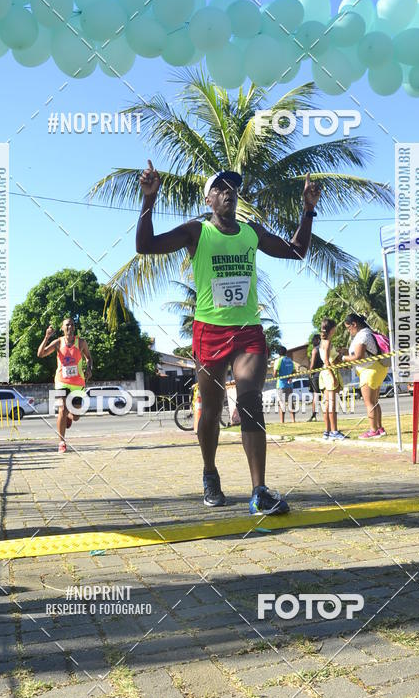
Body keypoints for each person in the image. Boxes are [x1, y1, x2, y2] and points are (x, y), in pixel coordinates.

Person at [136, 160, 321, 514]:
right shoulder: (196, 232)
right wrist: (149, 200)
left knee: (250, 399)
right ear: (209, 199)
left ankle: (260, 490)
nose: (228, 193)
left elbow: (297, 251)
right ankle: (210, 472)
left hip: (249, 332)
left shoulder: (252, 232)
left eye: (232, 188)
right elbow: (145, 246)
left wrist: (308, 211)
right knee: (211, 408)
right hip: (209, 331)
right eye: (220, 188)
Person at [37, 318, 93, 453]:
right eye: (67, 325)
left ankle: (69, 417)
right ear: (62, 328)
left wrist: (89, 368)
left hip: (78, 382)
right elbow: (40, 354)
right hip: (61, 381)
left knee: (76, 415)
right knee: (62, 408)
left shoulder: (81, 343)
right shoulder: (58, 343)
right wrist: (47, 337)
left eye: (72, 324)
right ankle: (61, 442)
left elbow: (89, 358)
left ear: (74, 328)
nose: (70, 327)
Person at [342, 313, 388, 438]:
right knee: (375, 402)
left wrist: (344, 358)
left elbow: (358, 357)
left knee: (369, 403)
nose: (348, 331)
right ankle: (379, 428)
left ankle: (373, 431)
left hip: (369, 371)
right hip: (377, 368)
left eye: (348, 327)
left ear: (354, 324)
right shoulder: (369, 332)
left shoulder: (361, 336)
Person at [318, 318, 345, 441]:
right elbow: (327, 361)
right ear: (332, 328)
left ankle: (327, 431)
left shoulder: (323, 342)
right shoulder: (327, 342)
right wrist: (333, 377)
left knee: (327, 404)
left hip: (324, 372)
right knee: (332, 405)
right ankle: (334, 431)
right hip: (329, 372)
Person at [273, 345, 295, 424]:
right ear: (286, 352)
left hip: (281, 384)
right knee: (290, 402)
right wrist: (289, 377)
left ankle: (282, 421)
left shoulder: (278, 360)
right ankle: (293, 420)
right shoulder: (290, 360)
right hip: (290, 384)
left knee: (281, 403)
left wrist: (277, 376)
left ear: (278, 353)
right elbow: (294, 372)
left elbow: (275, 374)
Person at [308, 334, 321, 421]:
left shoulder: (315, 350)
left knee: (316, 395)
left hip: (316, 375)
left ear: (318, 340)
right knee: (322, 395)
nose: (312, 342)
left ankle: (313, 415)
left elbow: (312, 365)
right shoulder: (324, 348)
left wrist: (310, 373)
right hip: (323, 373)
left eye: (314, 340)